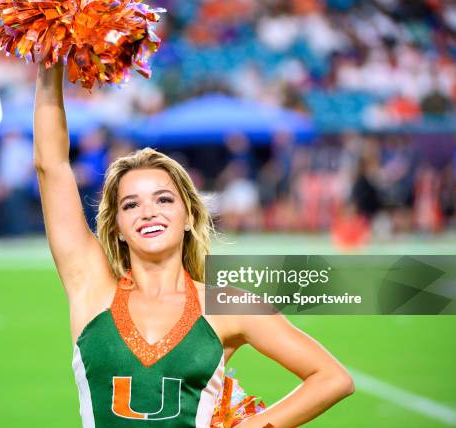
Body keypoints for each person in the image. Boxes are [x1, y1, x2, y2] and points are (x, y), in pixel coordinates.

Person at [34, 61, 355, 427]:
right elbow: (51, 165)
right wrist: (50, 59)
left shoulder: (228, 305)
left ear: (188, 216)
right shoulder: (91, 289)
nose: (148, 212)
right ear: (119, 227)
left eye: (164, 200)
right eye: (131, 204)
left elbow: (332, 379)